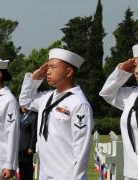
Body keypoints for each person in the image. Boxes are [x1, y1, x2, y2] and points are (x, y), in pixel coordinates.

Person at [19, 48, 93, 180]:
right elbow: (25, 101)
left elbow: (81, 148)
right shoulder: (47, 97)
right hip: (45, 172)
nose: (47, 71)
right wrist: (34, 79)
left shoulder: (78, 103)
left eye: (53, 67)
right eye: (47, 67)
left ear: (69, 72)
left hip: (66, 174)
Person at [99, 42, 138, 180]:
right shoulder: (133, 95)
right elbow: (107, 93)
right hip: (131, 174)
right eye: (135, 66)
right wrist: (121, 73)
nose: (137, 71)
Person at [18, 106, 37, 180]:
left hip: (27, 149)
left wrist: (31, 147)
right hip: (19, 147)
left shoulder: (34, 116)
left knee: (28, 170)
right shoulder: (20, 116)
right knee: (21, 169)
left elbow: (34, 133)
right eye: (21, 106)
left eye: (24, 106)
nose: (22, 107)